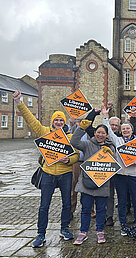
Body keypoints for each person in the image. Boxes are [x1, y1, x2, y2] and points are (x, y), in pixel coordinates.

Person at [13, 90, 79, 248]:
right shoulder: (44, 132)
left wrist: (69, 159)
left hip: (65, 173)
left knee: (67, 204)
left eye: (61, 120)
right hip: (48, 173)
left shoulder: (70, 137)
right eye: (56, 120)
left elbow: (77, 155)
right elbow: (30, 119)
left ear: (64, 123)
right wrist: (19, 103)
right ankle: (40, 234)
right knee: (44, 205)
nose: (58, 122)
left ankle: (64, 229)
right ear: (52, 121)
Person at [102, 106, 136, 239]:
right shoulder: (118, 141)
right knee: (122, 201)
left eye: (127, 128)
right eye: (123, 129)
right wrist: (105, 117)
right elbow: (110, 133)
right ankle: (123, 225)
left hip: (134, 175)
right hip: (120, 175)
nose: (125, 130)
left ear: (132, 130)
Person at [70, 122, 115, 244]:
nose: (100, 135)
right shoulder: (87, 144)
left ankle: (100, 231)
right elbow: (73, 142)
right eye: (98, 132)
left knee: (101, 209)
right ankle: (83, 232)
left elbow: (114, 164)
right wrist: (81, 128)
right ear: (94, 133)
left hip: (103, 183)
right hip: (87, 183)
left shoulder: (110, 147)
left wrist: (111, 154)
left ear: (106, 135)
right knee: (85, 209)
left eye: (103, 133)